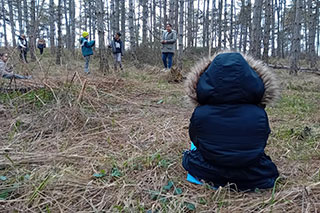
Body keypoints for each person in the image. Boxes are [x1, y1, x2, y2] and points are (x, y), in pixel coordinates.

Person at [182, 52, 280, 191]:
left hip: (207, 170)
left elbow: (196, 140)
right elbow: (260, 143)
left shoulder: (200, 113)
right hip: (252, 174)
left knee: (189, 156)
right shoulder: (259, 114)